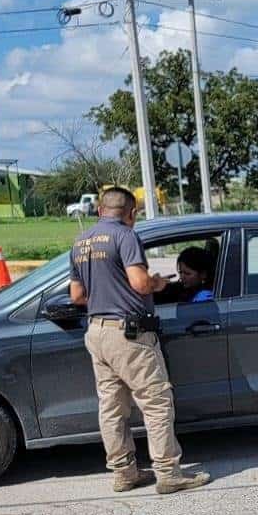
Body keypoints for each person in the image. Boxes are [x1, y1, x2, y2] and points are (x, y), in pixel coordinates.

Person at [69, 187, 211, 495]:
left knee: (111, 407)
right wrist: (158, 283)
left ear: (99, 211)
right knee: (156, 403)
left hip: (96, 331)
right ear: (131, 214)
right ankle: (169, 474)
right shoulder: (125, 236)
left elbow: (77, 296)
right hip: (129, 334)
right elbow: (140, 283)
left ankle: (124, 473)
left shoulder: (81, 242)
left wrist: (107, 299)